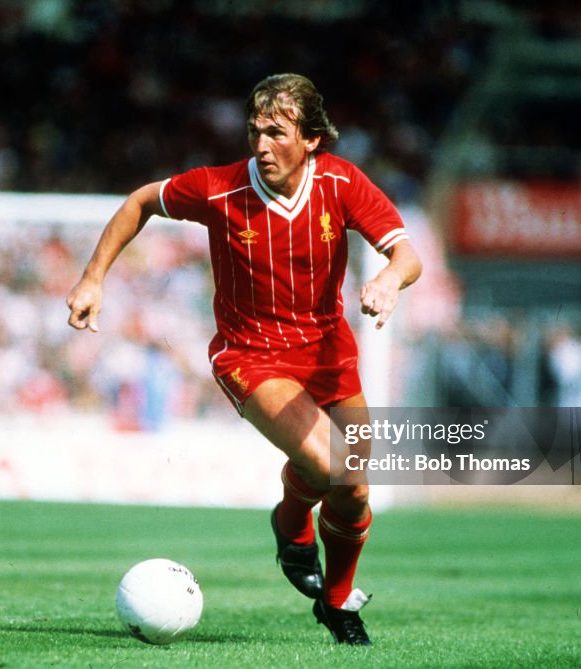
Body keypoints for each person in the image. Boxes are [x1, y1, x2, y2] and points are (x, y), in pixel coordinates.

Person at [67, 73, 421, 645]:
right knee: (330, 466)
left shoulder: (340, 181)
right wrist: (92, 278)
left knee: (354, 486)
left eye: (276, 132)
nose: (260, 144)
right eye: (255, 131)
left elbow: (407, 255)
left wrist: (388, 278)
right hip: (252, 356)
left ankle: (332, 599)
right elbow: (140, 201)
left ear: (310, 139)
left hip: (330, 355)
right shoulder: (219, 189)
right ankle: (293, 530)